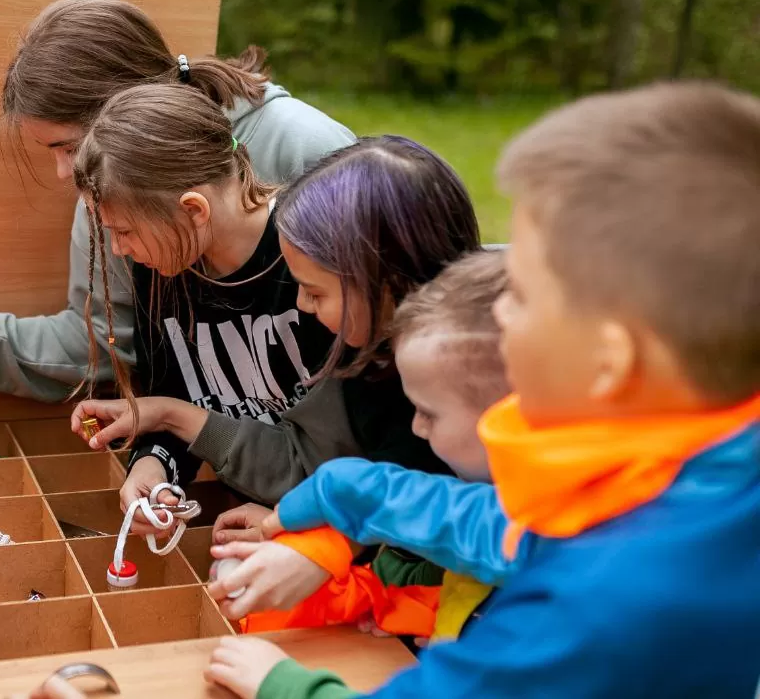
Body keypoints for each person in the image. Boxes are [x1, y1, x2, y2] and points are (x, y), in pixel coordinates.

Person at [208, 83, 760, 699]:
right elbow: (511, 527)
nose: (496, 313)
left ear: (608, 361)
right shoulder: (704, 461)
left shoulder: (588, 609)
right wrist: (347, 493)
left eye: (520, 294)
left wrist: (282, 685)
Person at [0, 0, 356, 403]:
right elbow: (107, 340)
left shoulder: (305, 147)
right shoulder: (106, 192)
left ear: (128, 105)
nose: (64, 173)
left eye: (70, 147)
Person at [72, 136, 473, 528]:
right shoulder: (163, 270)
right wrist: (156, 451)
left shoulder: (395, 360)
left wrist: (307, 533)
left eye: (315, 292)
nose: (302, 305)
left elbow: (401, 500)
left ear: (384, 281)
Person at [203, 251, 509, 673]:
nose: (416, 429)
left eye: (430, 413)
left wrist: (281, 685)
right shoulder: (511, 509)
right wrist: (401, 602)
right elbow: (436, 522)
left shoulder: (555, 588)